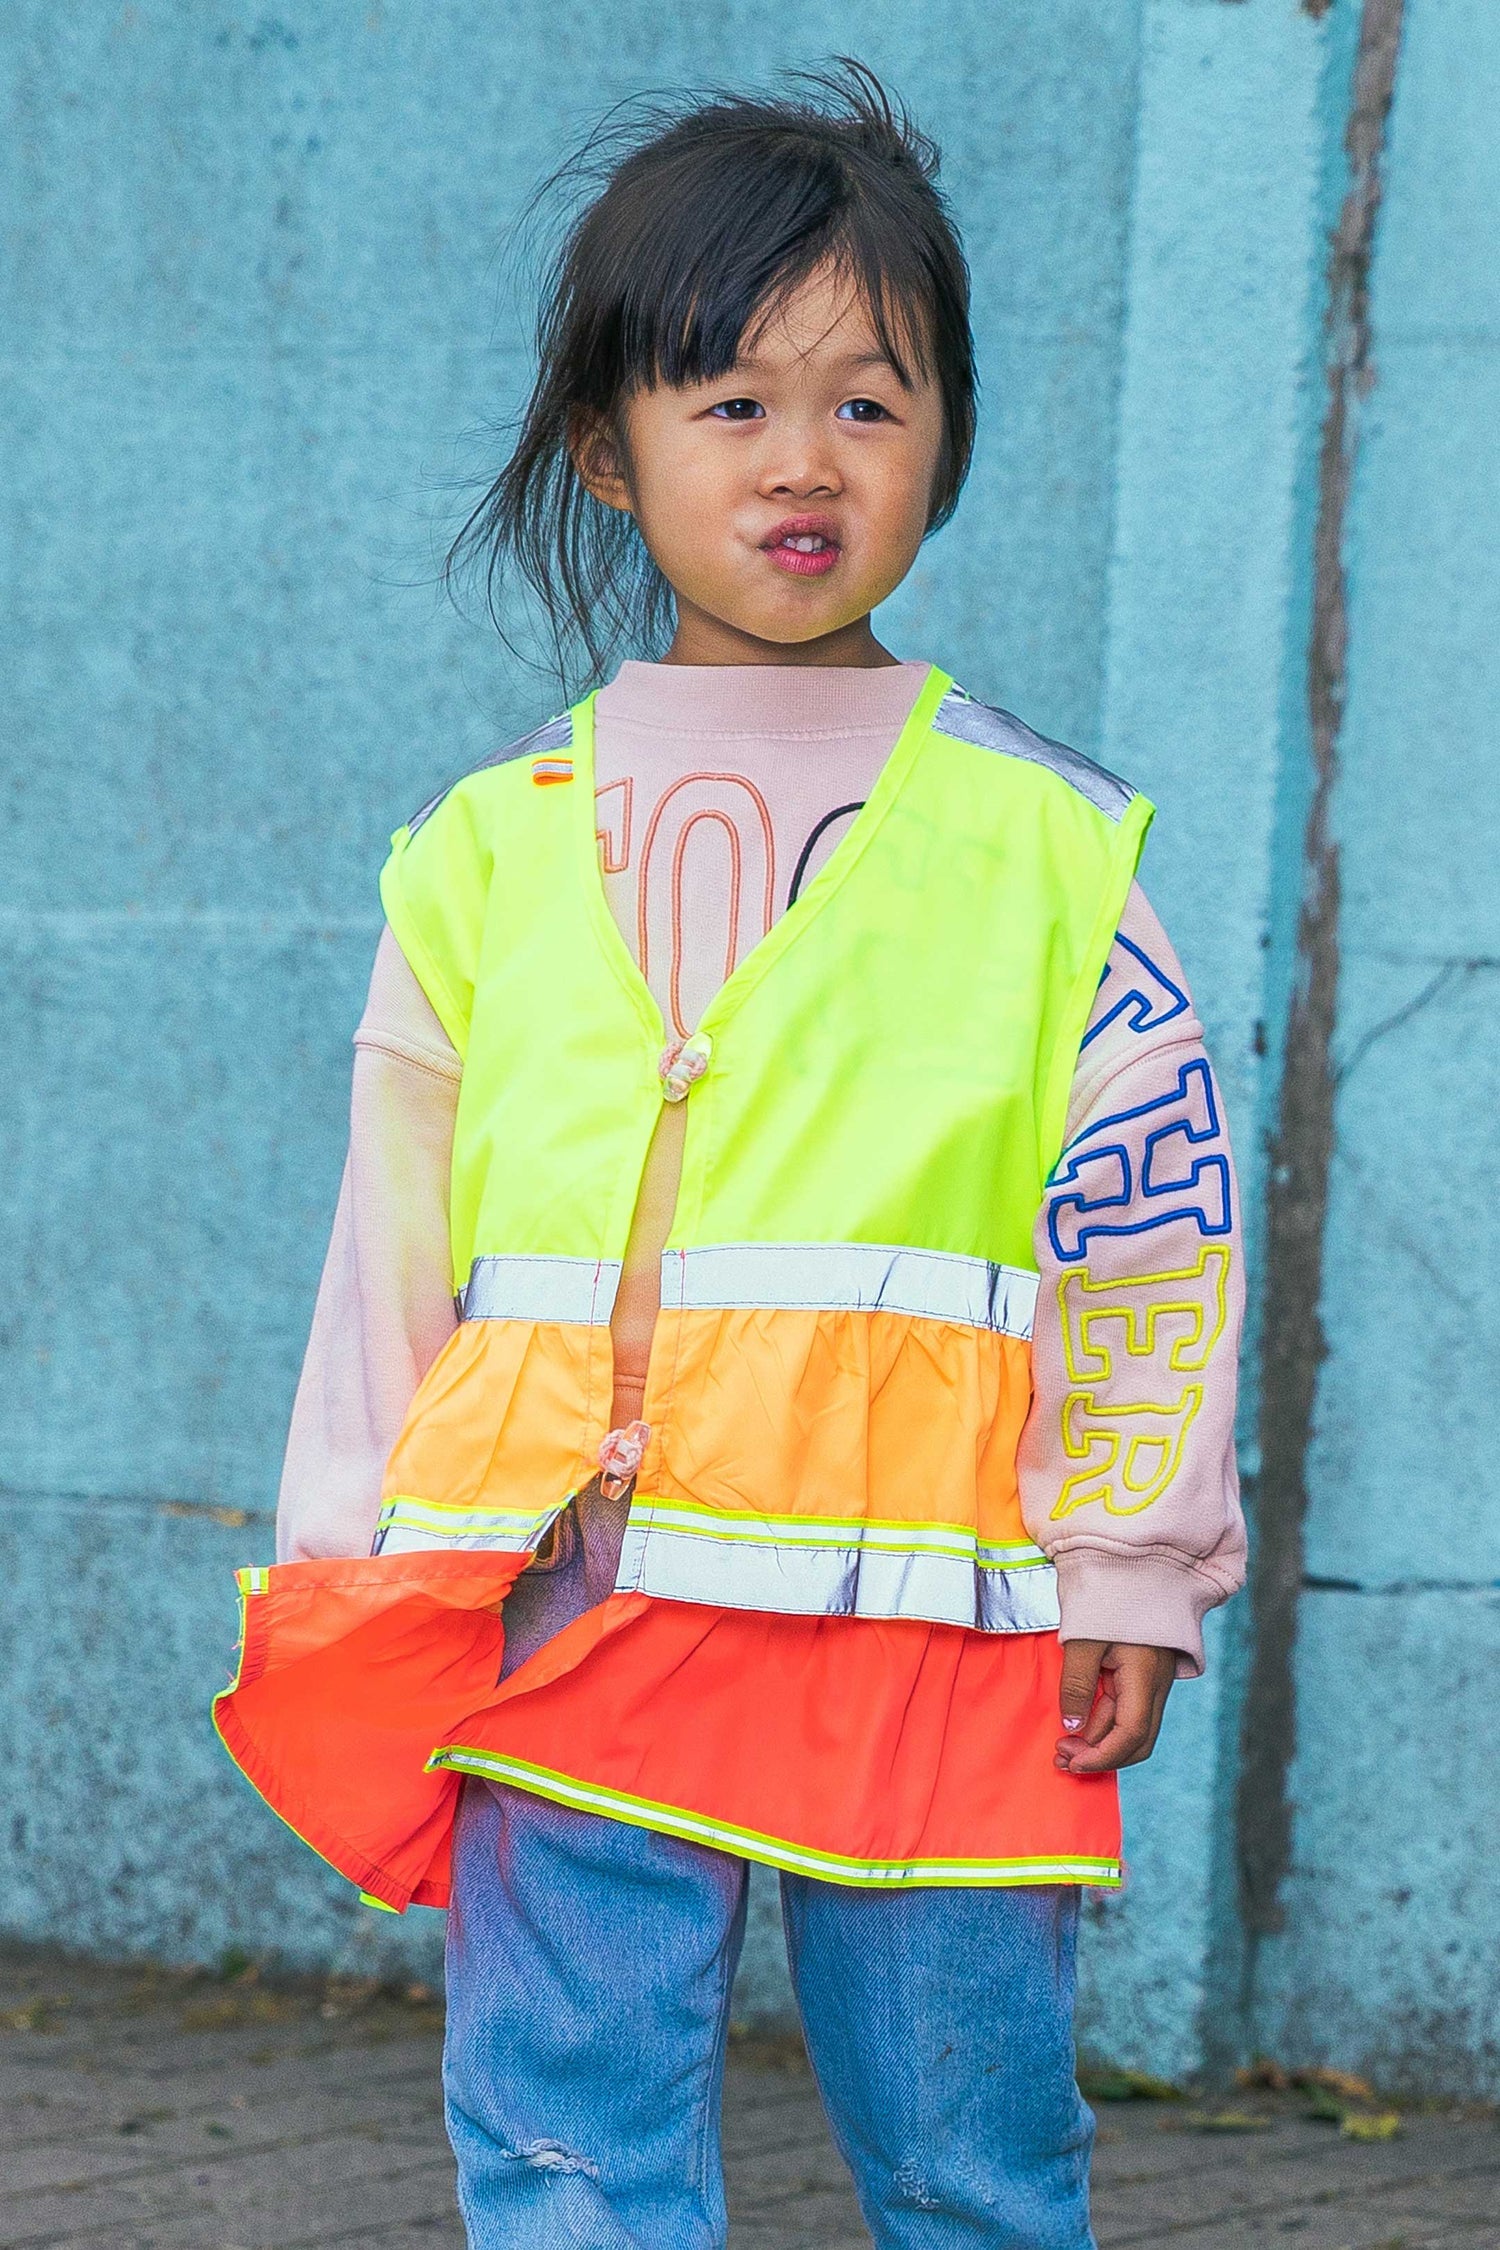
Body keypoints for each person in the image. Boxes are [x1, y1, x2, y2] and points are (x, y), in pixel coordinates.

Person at [218, 61, 1245, 2250]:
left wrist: (1135, 1560)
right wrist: (349, 1560)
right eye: (731, 401)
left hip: (937, 1629)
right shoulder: (487, 846)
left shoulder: (1053, 851)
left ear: (948, 434)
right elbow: (390, 1242)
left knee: (975, 2169)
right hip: (576, 1602)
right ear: (609, 443)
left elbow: (1149, 1219)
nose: (804, 461)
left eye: (870, 403)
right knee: (564, 2144)